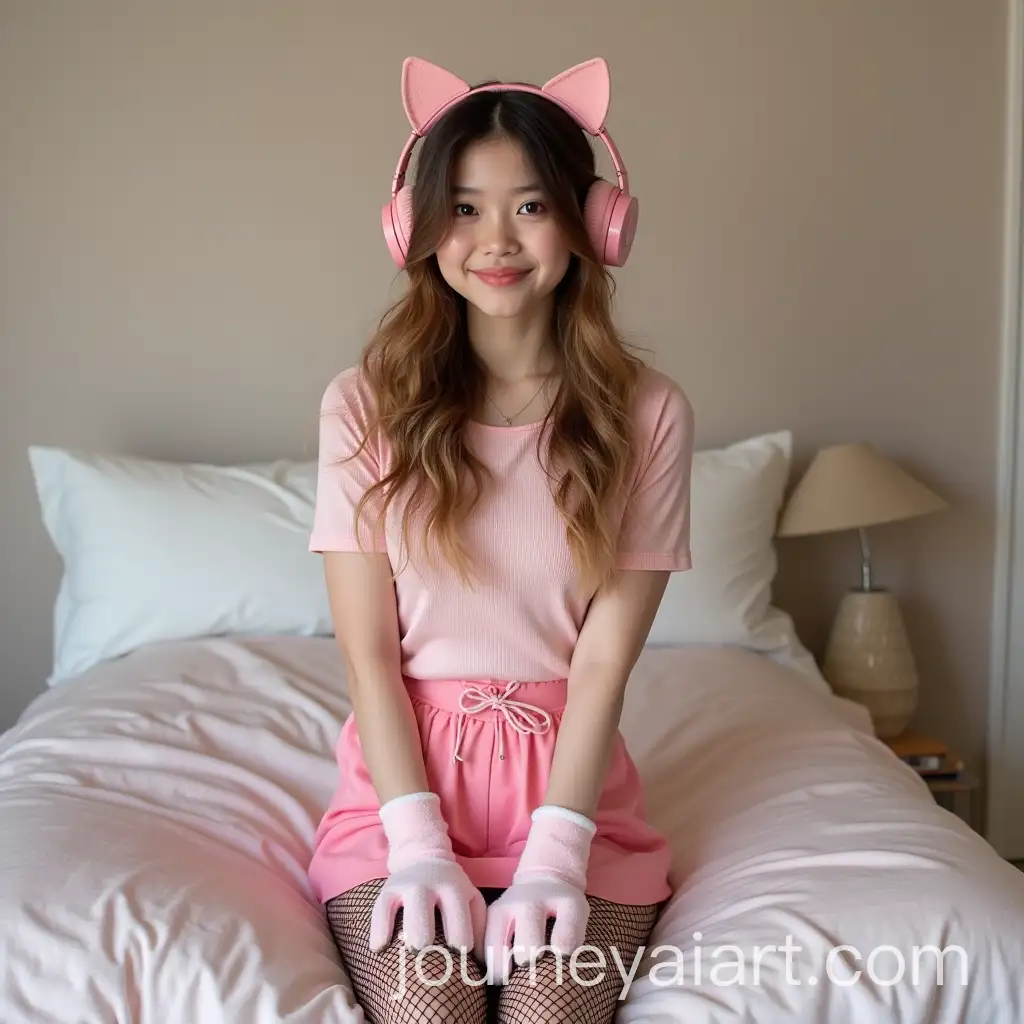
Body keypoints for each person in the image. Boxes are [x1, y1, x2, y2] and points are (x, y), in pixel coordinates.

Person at [307, 54, 695, 1024]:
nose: (495, 240)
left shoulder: (647, 413)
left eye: (528, 206)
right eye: (466, 208)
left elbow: (602, 661)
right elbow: (368, 654)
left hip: (572, 805)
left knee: (544, 1016)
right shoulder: (363, 405)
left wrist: (557, 855)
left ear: (590, 220)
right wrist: (418, 842)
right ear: (418, 225)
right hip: (395, 808)